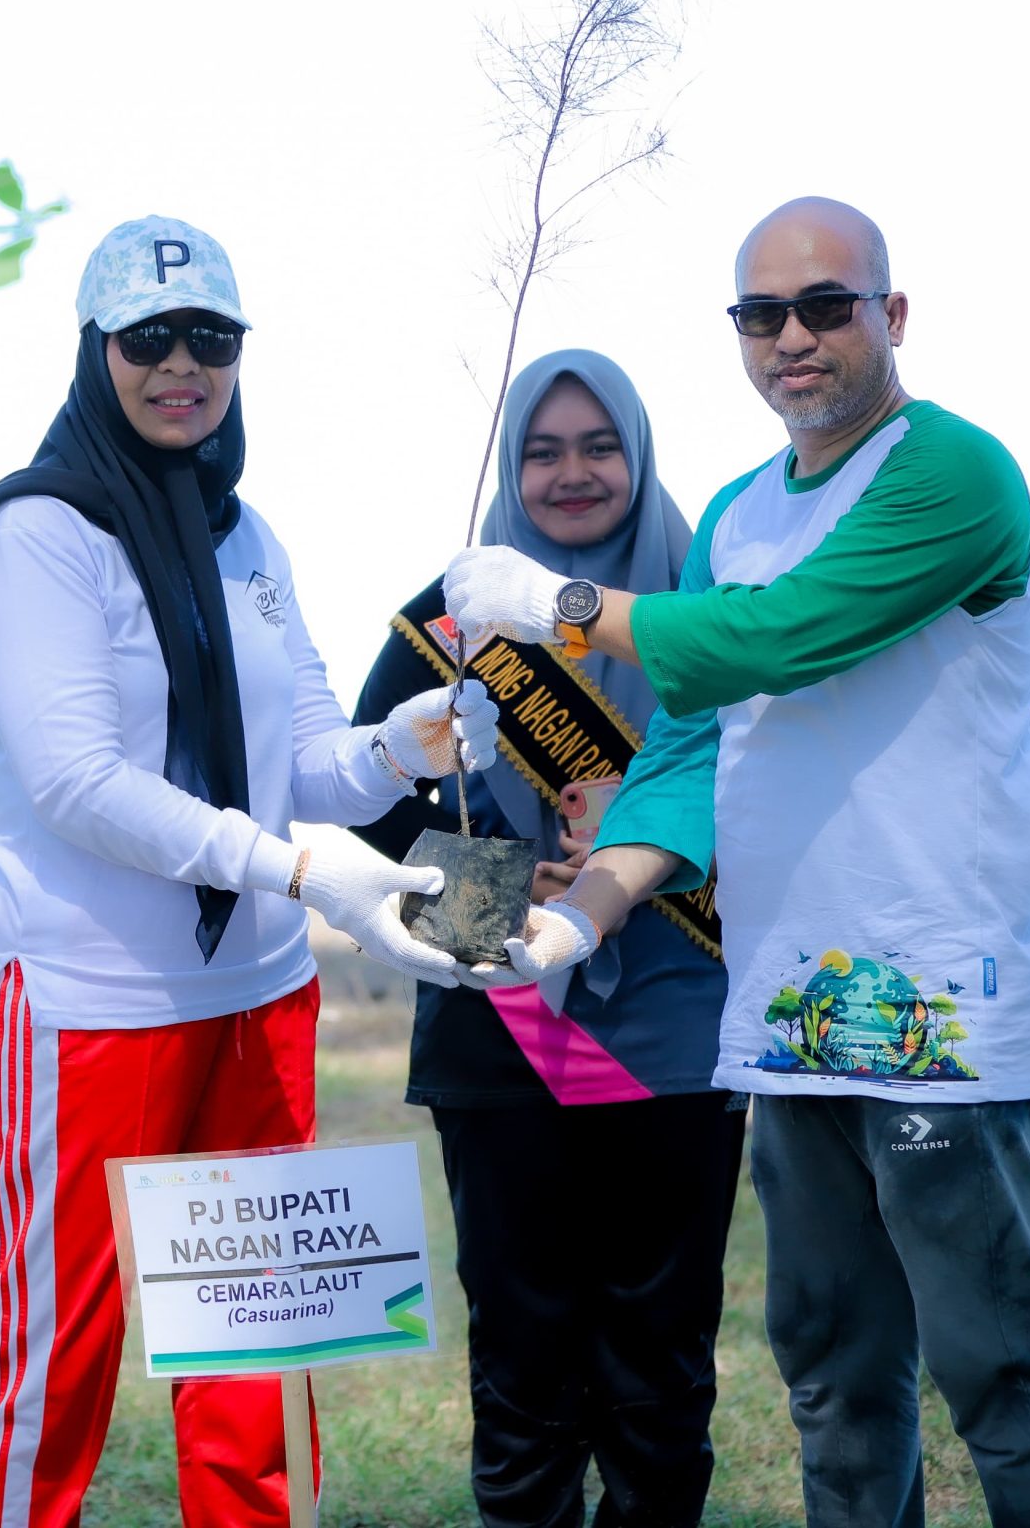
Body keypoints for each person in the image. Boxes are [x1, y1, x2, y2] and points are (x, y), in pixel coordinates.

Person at [448, 198, 1030, 1527]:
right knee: (833, 1372)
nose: (793, 338)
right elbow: (691, 752)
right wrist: (583, 918)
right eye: (763, 313)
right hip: (783, 1018)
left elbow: (777, 639)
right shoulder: (738, 515)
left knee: (1000, 1369)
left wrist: (559, 606)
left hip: (938, 1015)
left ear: (892, 316)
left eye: (826, 305)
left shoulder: (953, 472)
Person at [0, 215, 497, 1528]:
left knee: (257, 1369)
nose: (181, 364)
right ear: (95, 352)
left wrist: (395, 750)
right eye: (149, 338)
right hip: (88, 1009)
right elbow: (78, 784)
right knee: (50, 1367)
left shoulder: (248, 539)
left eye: (213, 339)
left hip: (253, 1002)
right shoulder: (36, 536)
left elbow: (295, 759)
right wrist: (299, 867)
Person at [349, 349, 742, 1528]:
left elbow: (773, 790)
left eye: (597, 446)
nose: (571, 473)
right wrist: (517, 875)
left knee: (661, 1353)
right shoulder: (453, 615)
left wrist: (633, 850)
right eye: (541, 450)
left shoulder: (703, 608)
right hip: (499, 1013)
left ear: (639, 451)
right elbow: (367, 800)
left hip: (676, 1014)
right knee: (519, 1348)